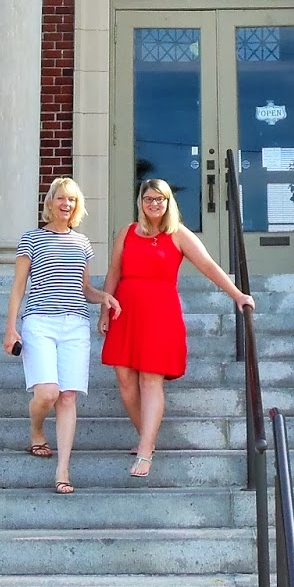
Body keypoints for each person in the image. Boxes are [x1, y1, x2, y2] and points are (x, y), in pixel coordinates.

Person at [100, 177, 255, 478]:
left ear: (169, 202)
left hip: (160, 312)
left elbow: (209, 266)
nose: (154, 204)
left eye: (160, 199)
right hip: (125, 310)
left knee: (149, 379)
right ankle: (148, 436)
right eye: (149, 199)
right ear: (140, 202)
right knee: (124, 377)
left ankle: (145, 451)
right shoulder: (127, 233)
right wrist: (104, 310)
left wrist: (237, 294)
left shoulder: (179, 234)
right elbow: (114, 271)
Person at [3, 176, 120, 495]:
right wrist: (11, 327)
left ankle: (63, 470)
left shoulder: (82, 243)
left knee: (67, 396)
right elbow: (18, 288)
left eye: (71, 199)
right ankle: (37, 430)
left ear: (77, 205)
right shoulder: (31, 239)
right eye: (60, 198)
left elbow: (83, 289)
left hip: (75, 326)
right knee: (48, 393)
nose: (66, 204)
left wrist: (104, 298)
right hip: (39, 321)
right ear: (50, 203)